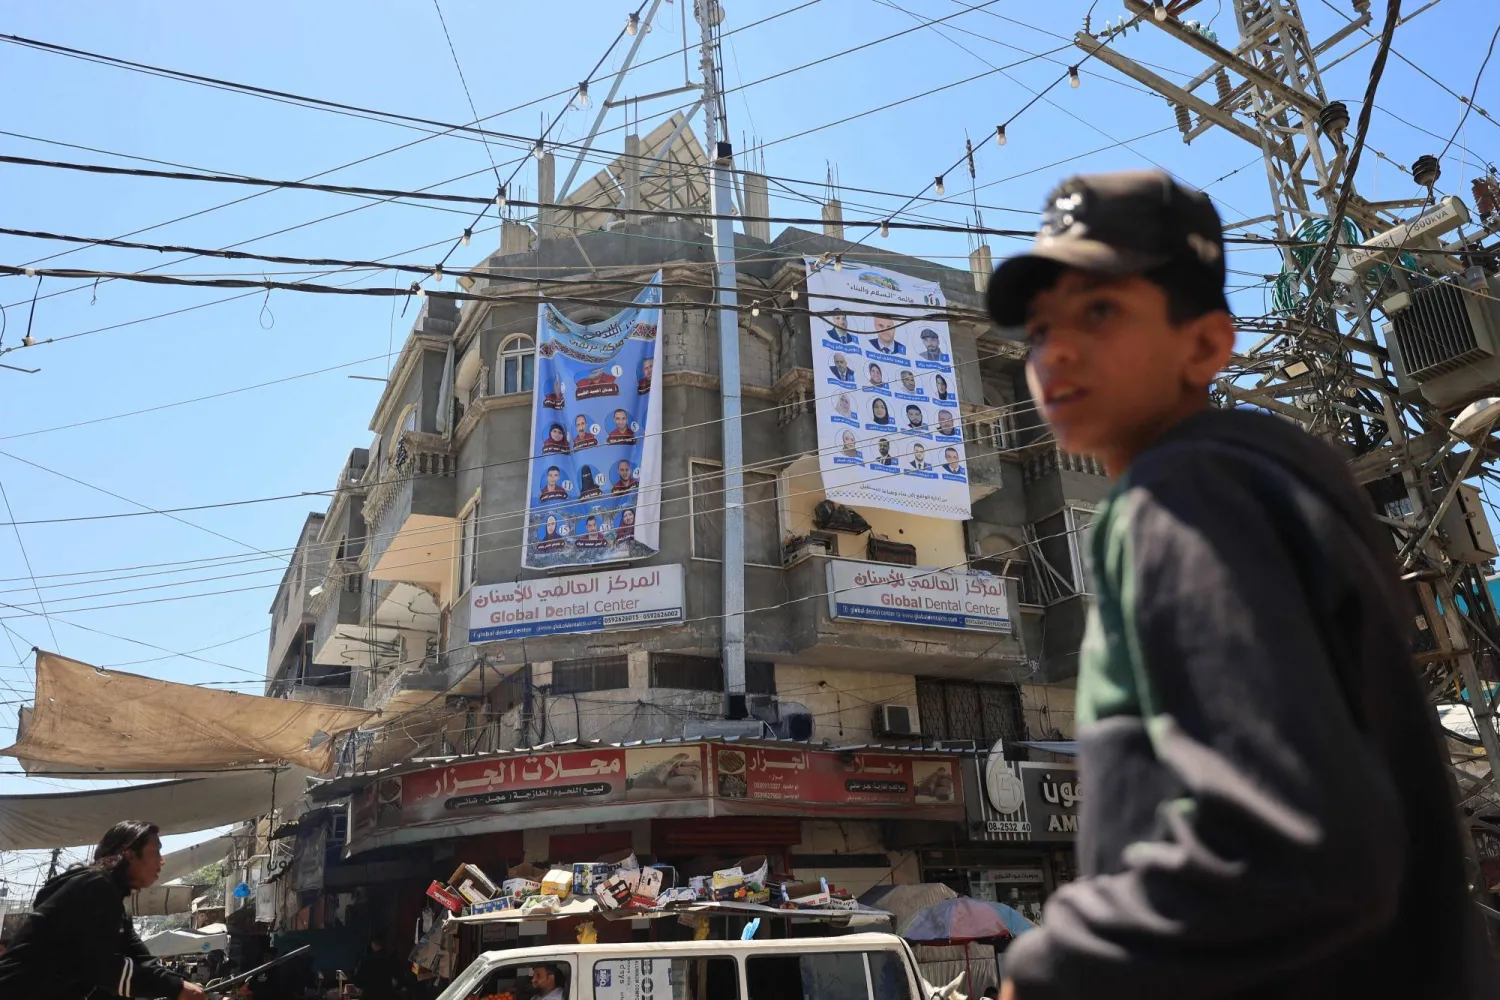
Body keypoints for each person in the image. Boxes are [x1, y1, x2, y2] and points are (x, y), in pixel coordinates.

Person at [989, 170, 1480, 998]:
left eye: (1100, 311)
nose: (1056, 351)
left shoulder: (1187, 491)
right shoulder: (1268, 478)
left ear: (1208, 345)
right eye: (1039, 329)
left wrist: (1049, 970)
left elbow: (1291, 841)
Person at [0, 821, 205, 1000]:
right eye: (156, 851)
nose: (162, 860)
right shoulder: (94, 887)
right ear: (130, 854)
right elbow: (104, 968)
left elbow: (140, 958)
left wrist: (184, 986)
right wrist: (176, 988)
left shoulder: (115, 904)